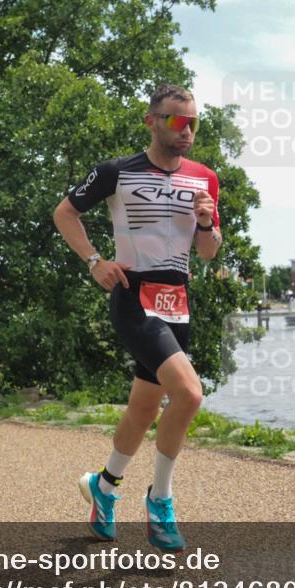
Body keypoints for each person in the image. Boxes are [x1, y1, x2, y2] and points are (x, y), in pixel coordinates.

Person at [53, 84, 222, 551]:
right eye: (175, 121)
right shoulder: (116, 172)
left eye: (192, 123)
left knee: (145, 407)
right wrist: (94, 261)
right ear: (151, 121)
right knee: (188, 394)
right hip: (133, 295)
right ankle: (160, 500)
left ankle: (103, 488)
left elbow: (208, 253)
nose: (185, 131)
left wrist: (207, 223)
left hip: (178, 302)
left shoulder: (205, 178)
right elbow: (65, 213)